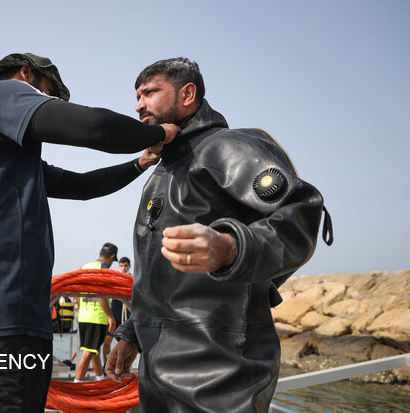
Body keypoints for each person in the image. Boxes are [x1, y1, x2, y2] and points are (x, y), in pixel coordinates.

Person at [0, 53, 180, 412]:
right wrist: (158, 132)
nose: (47, 107)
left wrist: (141, 162)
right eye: (47, 96)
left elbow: (84, 185)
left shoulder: (6, 160)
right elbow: (95, 127)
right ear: (26, 75)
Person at [106, 58, 333, 413]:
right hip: (155, 376)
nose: (139, 105)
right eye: (136, 96)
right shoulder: (159, 174)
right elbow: (158, 277)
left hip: (223, 374)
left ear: (188, 94)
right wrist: (133, 333)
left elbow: (301, 214)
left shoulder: (229, 147)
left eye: (150, 92)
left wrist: (230, 247)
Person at [74, 242, 118, 382]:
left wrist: (82, 309)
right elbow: (102, 296)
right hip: (97, 317)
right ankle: (77, 386)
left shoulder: (85, 267)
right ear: (112, 257)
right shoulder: (103, 269)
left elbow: (77, 295)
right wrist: (111, 317)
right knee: (88, 353)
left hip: (83, 316)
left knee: (94, 351)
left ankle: (100, 380)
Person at [101, 256, 131, 365]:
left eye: (125, 266)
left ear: (129, 267)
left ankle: (123, 364)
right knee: (107, 341)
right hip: (115, 315)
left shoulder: (131, 280)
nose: (123, 268)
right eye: (122, 266)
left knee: (126, 342)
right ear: (119, 266)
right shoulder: (114, 279)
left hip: (127, 316)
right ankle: (106, 364)